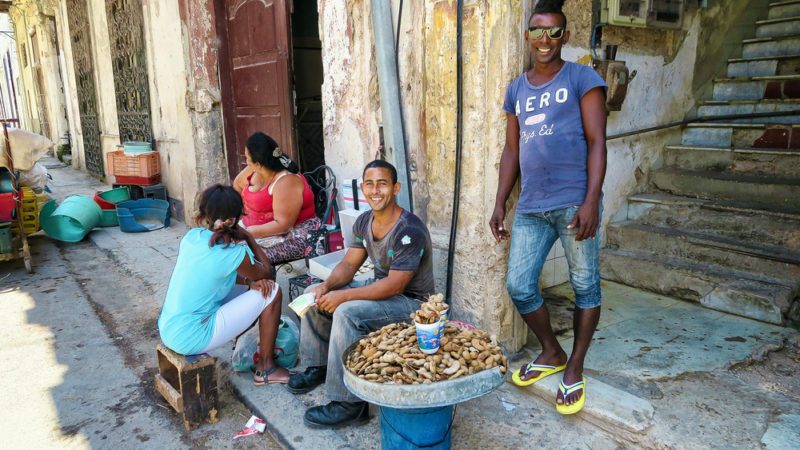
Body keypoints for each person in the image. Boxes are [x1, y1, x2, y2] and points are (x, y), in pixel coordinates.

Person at [489, 0, 607, 415]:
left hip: (575, 201)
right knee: (520, 284)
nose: (545, 40)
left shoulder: (582, 77)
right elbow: (511, 150)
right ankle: (552, 351)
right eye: (538, 31)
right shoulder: (517, 89)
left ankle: (575, 367)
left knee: (585, 285)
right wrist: (500, 202)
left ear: (565, 37)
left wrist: (591, 199)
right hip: (532, 206)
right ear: (528, 35)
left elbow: (597, 142)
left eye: (554, 32)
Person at [289, 160, 435, 428]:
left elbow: (395, 286)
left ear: (396, 188)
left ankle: (349, 405)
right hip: (384, 295)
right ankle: (318, 367)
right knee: (313, 294)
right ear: (362, 188)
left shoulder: (409, 230)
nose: (375, 190)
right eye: (369, 184)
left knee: (346, 311)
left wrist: (343, 297)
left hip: (412, 304)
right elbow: (347, 265)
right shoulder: (364, 221)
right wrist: (327, 286)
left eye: (382, 183)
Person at [158, 184, 290, 384]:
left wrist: (250, 281)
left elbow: (214, 274)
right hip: (193, 337)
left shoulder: (191, 238)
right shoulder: (235, 254)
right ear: (238, 219)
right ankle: (266, 368)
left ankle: (242, 344)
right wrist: (249, 238)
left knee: (253, 284)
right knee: (272, 291)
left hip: (169, 329)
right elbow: (268, 273)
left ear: (203, 217)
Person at [233, 132, 319, 265]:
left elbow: (283, 225)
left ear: (259, 164)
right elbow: (237, 185)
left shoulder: (286, 181)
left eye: (247, 158)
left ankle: (262, 285)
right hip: (258, 231)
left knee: (242, 258)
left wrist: (246, 233)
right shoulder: (255, 170)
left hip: (297, 235)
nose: (246, 162)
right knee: (220, 245)